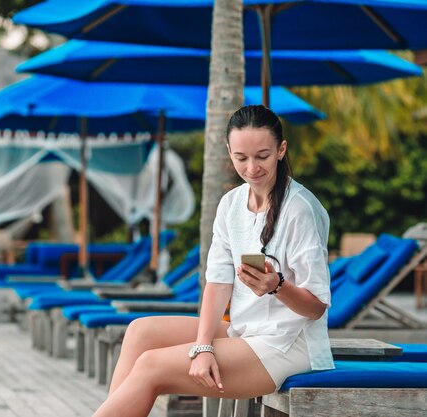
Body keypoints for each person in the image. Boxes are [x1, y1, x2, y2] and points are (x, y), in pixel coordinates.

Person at [92, 105, 334, 417]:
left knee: (151, 366)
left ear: (280, 150)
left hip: (288, 345)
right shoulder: (231, 205)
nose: (251, 168)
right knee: (140, 331)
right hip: (245, 331)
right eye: (241, 157)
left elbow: (316, 308)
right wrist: (203, 346)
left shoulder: (300, 210)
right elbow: (218, 285)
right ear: (228, 151)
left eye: (262, 156)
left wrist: (278, 287)